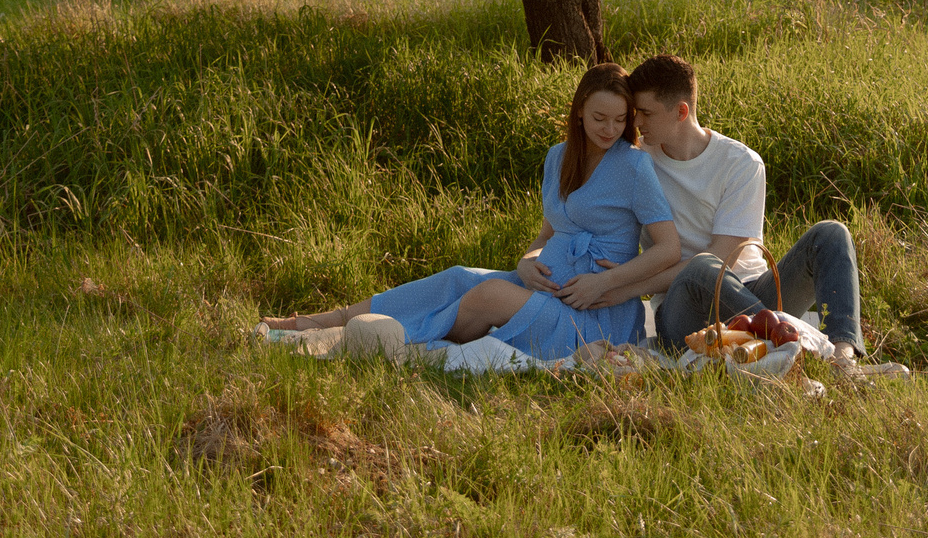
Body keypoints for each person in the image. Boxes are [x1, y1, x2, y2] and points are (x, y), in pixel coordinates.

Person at [266, 62, 681, 360]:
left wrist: (603, 283)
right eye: (599, 118)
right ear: (578, 112)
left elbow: (668, 249)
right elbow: (547, 234)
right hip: (545, 288)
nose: (609, 129)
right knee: (457, 278)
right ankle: (323, 321)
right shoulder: (559, 158)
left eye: (619, 120)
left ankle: (395, 341)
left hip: (593, 313)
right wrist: (526, 261)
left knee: (487, 294)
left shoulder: (633, 165)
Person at [619, 53, 865, 364]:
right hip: (684, 311)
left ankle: (842, 358)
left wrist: (631, 288)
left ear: (681, 111)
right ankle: (794, 344)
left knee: (830, 234)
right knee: (700, 268)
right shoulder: (636, 163)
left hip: (753, 294)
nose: (637, 122)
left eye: (646, 113)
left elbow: (724, 258)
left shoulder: (740, 163)